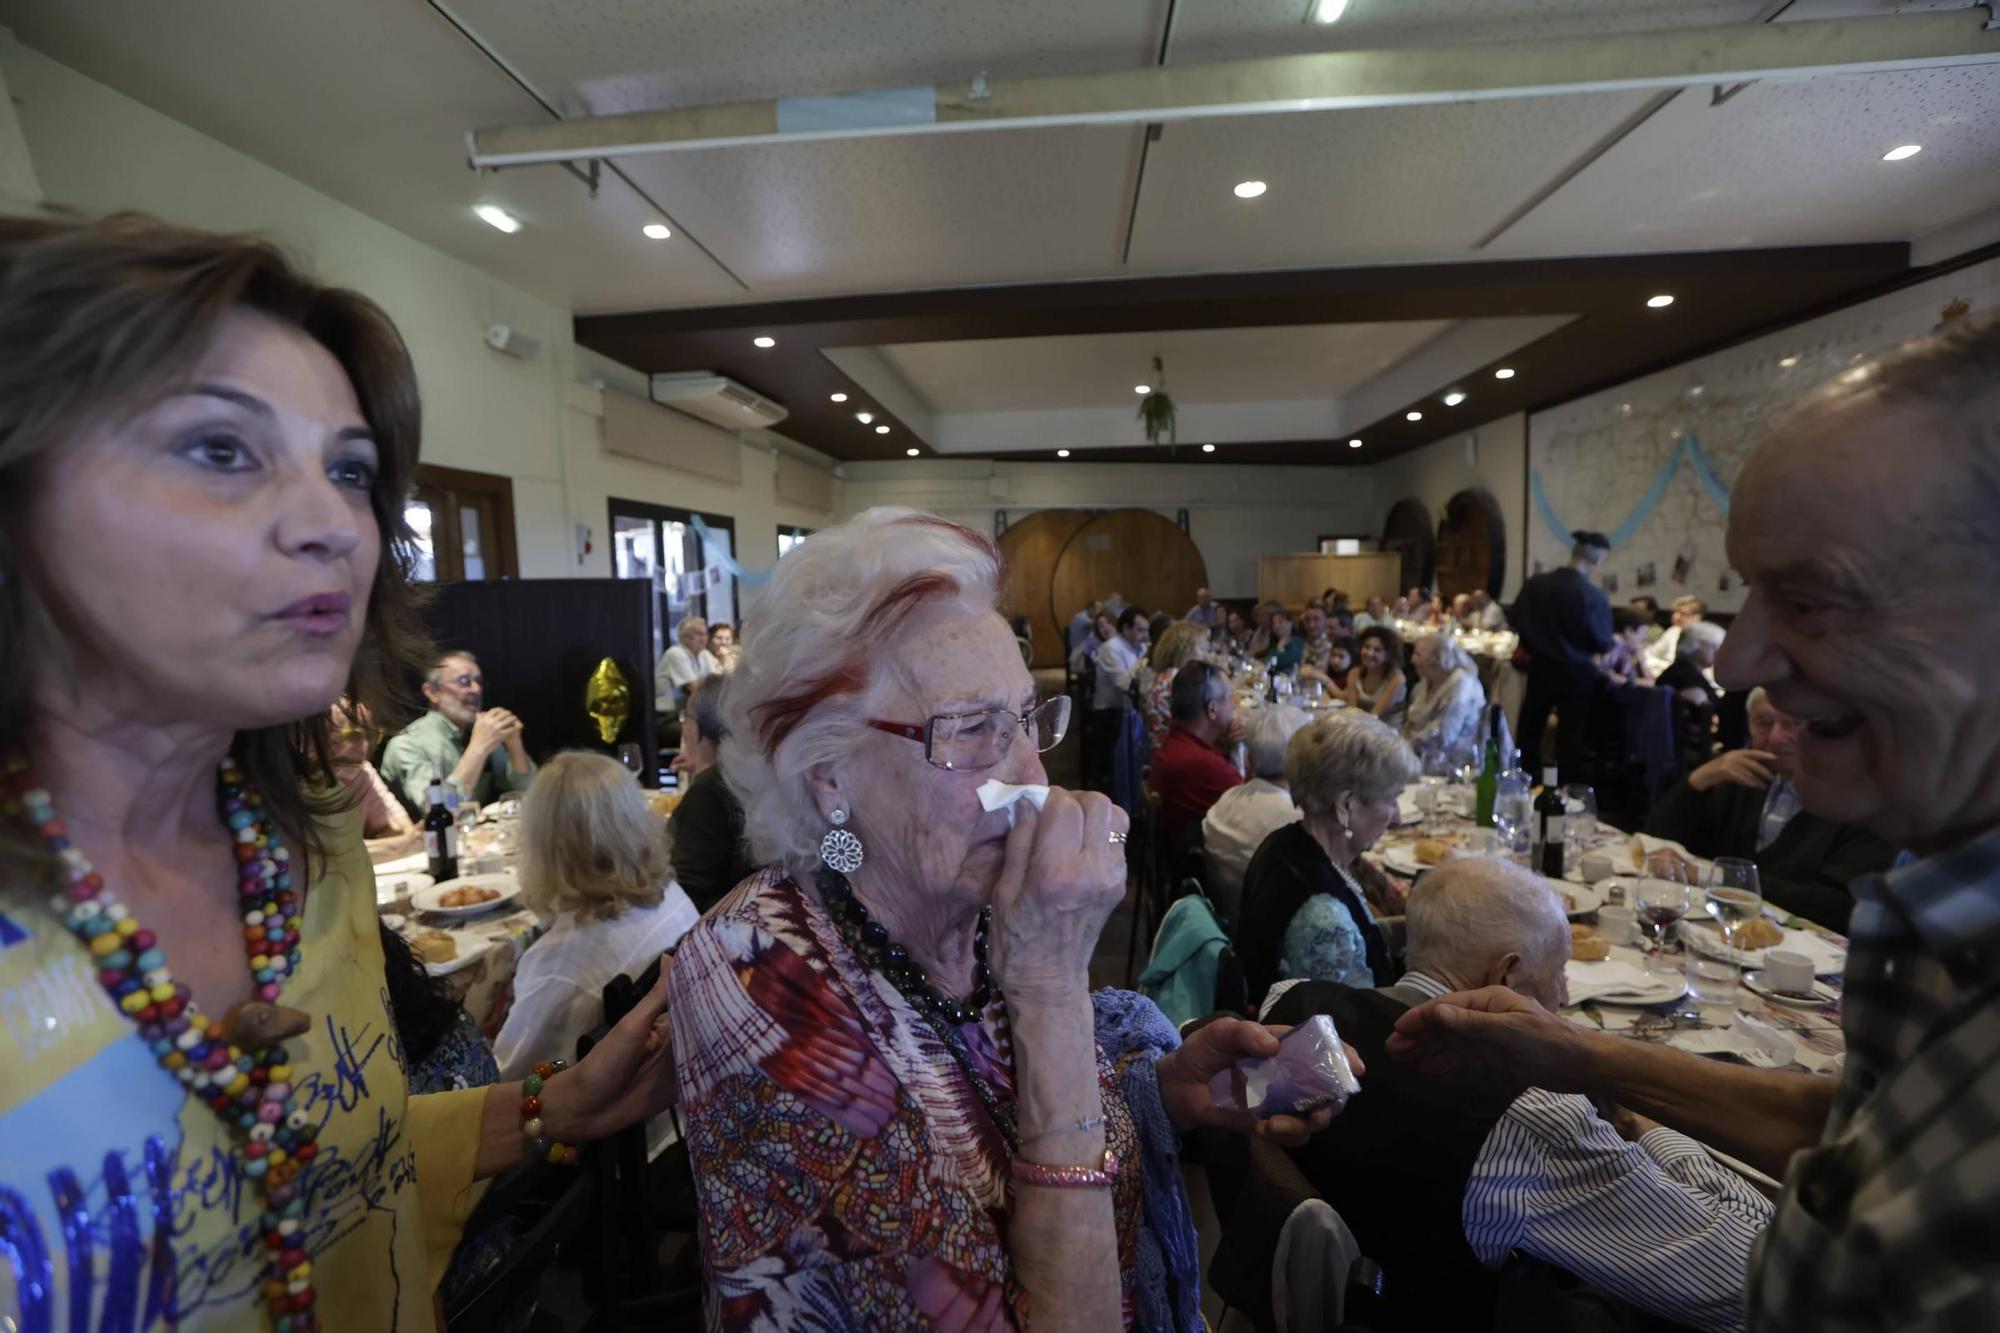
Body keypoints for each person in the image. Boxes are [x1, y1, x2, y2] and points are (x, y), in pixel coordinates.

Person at [0, 214, 681, 1329]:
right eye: (221, 448)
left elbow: (317, 1153)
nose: (334, 523)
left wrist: (551, 1106)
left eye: (352, 470)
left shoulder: (305, 848)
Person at [1386, 317, 2000, 1332]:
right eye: (1749, 593)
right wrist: (1580, 1058)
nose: (1737, 658)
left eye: (1808, 599)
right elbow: (1851, 1133)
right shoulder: (1940, 930)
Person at [672, 507, 1343, 1328]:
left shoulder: (975, 900)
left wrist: (1167, 1092)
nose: (1033, 776)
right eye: (972, 731)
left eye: (1027, 719)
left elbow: (1006, 1113)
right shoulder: (754, 978)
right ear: (829, 775)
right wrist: (1051, 985)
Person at [1267, 858, 1769, 1333]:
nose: (1566, 995)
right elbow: (1757, 1281)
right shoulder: (1534, 1122)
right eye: (1559, 971)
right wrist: (1645, 1119)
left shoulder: (1287, 1005)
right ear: (1506, 977)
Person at [493, 752, 700, 1085]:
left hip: (603, 1120)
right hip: (670, 1095)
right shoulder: (669, 894)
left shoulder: (559, 966)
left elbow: (508, 1080)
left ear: (543, 848)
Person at [1645, 687, 1895, 929]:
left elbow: (1839, 906)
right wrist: (1700, 779)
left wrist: (1717, 879)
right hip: (1714, 932)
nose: (1775, 737)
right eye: (1763, 722)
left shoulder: (1864, 803)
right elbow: (1656, 837)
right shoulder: (1739, 776)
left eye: (1793, 724)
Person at [1237, 711, 1417, 1003]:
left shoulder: (1285, 842)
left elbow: (1358, 935)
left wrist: (1410, 929)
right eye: (1391, 799)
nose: (1397, 817)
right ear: (1345, 806)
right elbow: (1345, 1031)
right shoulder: (1325, 918)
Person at [1508, 530, 1614, 784]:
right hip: (1577, 674)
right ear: (1597, 560)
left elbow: (1515, 620)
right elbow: (1603, 641)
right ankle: (1563, 791)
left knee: (1530, 729)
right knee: (1570, 737)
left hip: (1540, 668)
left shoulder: (1535, 585)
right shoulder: (1592, 596)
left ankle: (1523, 781)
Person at [379, 649, 537, 817]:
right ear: (433, 692)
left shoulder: (477, 731)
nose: (475, 689)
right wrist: (478, 748)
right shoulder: (407, 744)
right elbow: (438, 811)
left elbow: (528, 792)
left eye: (479, 682)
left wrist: (514, 743)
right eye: (464, 681)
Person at [1201, 704, 1311, 924]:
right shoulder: (1298, 823)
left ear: (1249, 759)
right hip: (1265, 937)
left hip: (1221, 921)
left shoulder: (1227, 799)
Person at [668, 673, 757, 913]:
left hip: (714, 933)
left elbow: (686, 894)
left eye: (686, 717)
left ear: (697, 730)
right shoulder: (752, 776)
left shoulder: (706, 795)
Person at [1146, 661, 1244, 848]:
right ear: (1212, 709)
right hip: (1203, 866)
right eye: (1231, 698)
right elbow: (1253, 805)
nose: (1235, 707)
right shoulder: (1203, 765)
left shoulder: (1177, 742)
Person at [328, 698, 421, 861]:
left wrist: (391, 843)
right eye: (354, 736)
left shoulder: (363, 772)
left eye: (370, 736)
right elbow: (335, 856)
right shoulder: (306, 786)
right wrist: (400, 845)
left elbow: (402, 829)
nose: (364, 746)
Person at [1402, 633, 1487, 757]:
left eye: (1418, 654)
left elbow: (1446, 734)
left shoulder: (1462, 685)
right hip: (1421, 751)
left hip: (1456, 756)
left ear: (1437, 659)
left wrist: (1409, 745)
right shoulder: (1427, 680)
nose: (1412, 660)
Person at [1141, 620, 1211, 749]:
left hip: (1165, 747)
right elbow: (1202, 724)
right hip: (1176, 750)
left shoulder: (1166, 676)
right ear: (1185, 649)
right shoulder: (1177, 681)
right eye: (1202, 649)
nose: (1205, 655)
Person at [1341, 623, 1408, 725]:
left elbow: (1374, 716)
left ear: (1389, 655)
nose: (1370, 653)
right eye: (1366, 647)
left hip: (1388, 732)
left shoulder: (1396, 678)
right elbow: (1351, 712)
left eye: (1377, 650)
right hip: (1360, 728)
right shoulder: (1354, 673)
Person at [654, 615, 720, 717]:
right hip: (667, 715)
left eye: (705, 634)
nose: (703, 638)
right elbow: (694, 688)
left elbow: (719, 681)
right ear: (683, 637)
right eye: (698, 634)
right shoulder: (675, 653)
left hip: (688, 712)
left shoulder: (704, 654)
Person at [1658, 618, 1725, 706]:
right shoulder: (1685, 676)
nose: (1717, 652)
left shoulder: (1686, 670)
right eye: (1713, 646)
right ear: (1693, 645)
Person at [1643, 594, 1709, 677]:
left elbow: (1699, 669)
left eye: (1682, 613)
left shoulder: (1707, 637)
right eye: (1675, 612)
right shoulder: (1673, 631)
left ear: (1697, 617)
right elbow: (1652, 654)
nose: (1675, 617)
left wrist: (1664, 667)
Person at [1601, 606, 1656, 685]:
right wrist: (1635, 682)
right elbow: (1606, 676)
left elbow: (1645, 676)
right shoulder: (1615, 644)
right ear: (1628, 631)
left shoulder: (1629, 647)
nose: (1642, 644)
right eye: (1641, 639)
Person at [1261, 607, 1306, 674]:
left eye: (1280, 622)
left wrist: (1280, 648)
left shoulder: (1298, 642)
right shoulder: (1275, 641)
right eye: (1274, 624)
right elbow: (1270, 662)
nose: (1276, 626)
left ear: (1290, 623)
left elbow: (1291, 665)